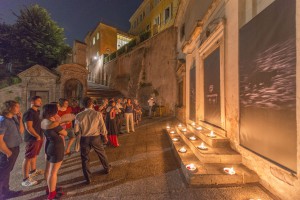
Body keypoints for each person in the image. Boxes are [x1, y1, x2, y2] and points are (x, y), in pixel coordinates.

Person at [74, 97, 111, 184]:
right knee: (101, 153)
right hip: (95, 137)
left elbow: (76, 130)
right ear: (92, 104)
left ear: (83, 105)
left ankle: (88, 178)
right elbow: (102, 127)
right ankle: (107, 168)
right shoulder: (97, 114)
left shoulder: (78, 115)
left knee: (85, 158)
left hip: (84, 138)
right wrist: (105, 136)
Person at [41, 104, 67, 200]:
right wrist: (58, 122)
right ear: (53, 112)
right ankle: (52, 194)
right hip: (57, 147)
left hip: (49, 146)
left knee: (48, 170)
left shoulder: (43, 121)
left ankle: (49, 188)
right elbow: (65, 133)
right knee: (53, 172)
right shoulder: (54, 124)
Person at [0, 101, 24, 199]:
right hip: (7, 150)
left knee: (6, 171)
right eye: (17, 106)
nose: (19, 108)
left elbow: (21, 131)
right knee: (3, 172)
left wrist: (20, 119)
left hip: (14, 148)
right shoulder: (3, 121)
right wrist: (7, 152)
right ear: (9, 108)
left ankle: (6, 191)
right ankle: (2, 194)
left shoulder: (13, 119)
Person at [22, 96, 44, 187]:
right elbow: (28, 127)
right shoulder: (29, 113)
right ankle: (25, 179)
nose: (40, 102)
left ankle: (33, 170)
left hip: (38, 137)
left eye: (40, 101)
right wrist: (37, 135)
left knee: (34, 155)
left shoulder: (37, 112)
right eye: (38, 100)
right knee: (28, 157)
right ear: (32, 101)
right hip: (32, 138)